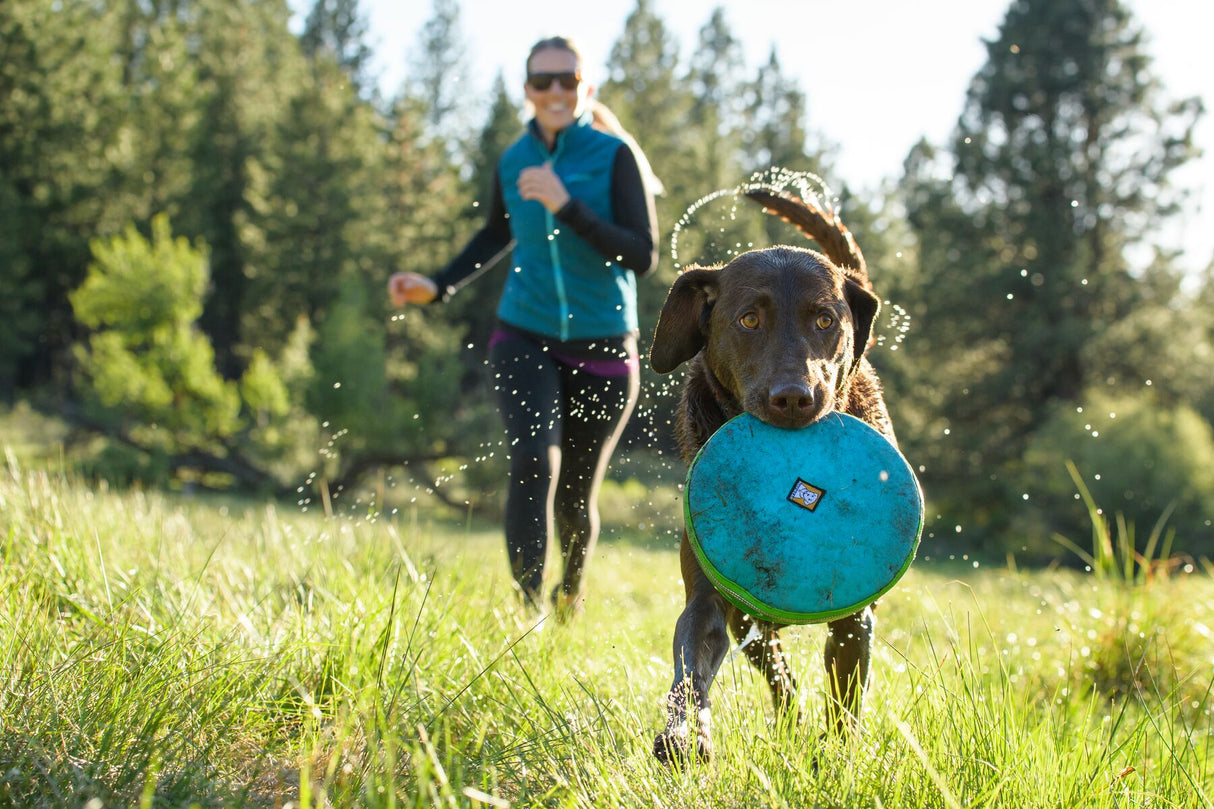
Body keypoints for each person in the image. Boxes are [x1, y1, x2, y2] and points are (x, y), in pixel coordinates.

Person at [389, 36, 659, 619]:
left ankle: (569, 594)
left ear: (585, 87)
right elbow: (495, 232)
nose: (556, 92)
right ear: (528, 91)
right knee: (534, 462)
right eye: (544, 82)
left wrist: (568, 207)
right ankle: (525, 609)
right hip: (525, 333)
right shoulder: (514, 160)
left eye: (568, 80)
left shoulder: (614, 156)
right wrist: (439, 285)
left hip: (605, 346)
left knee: (575, 494)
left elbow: (642, 254)